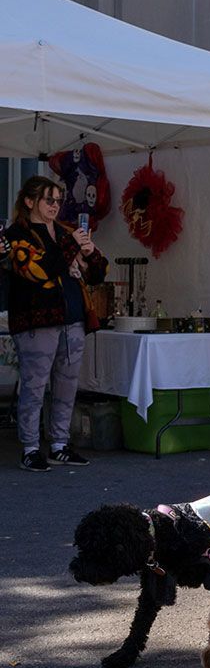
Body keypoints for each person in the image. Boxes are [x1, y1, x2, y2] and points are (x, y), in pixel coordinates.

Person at [4, 176, 107, 471]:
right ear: (29, 201)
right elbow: (37, 270)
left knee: (67, 385)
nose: (55, 206)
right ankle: (30, 447)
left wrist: (89, 254)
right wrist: (72, 248)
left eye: (59, 200)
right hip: (37, 322)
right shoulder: (16, 235)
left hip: (72, 319)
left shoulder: (66, 232)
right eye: (49, 200)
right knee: (34, 387)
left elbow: (98, 273)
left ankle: (60, 444)